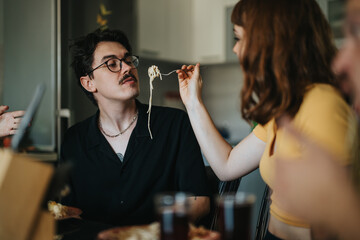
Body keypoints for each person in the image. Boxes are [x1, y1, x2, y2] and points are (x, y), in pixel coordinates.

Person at [176, 0, 359, 239]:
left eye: (239, 39)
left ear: (270, 40)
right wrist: (192, 102)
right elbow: (227, 166)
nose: (235, 50)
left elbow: (333, 224)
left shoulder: (322, 104)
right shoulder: (285, 104)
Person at [59, 28, 210, 227]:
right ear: (88, 83)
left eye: (128, 60)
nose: (127, 68)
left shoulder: (174, 124)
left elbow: (199, 201)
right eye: (112, 64)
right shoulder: (74, 140)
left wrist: (149, 234)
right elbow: (67, 211)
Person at [272, 0, 360, 238]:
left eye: (357, 31)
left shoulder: (324, 102)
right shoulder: (285, 103)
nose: (339, 63)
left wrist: (335, 210)